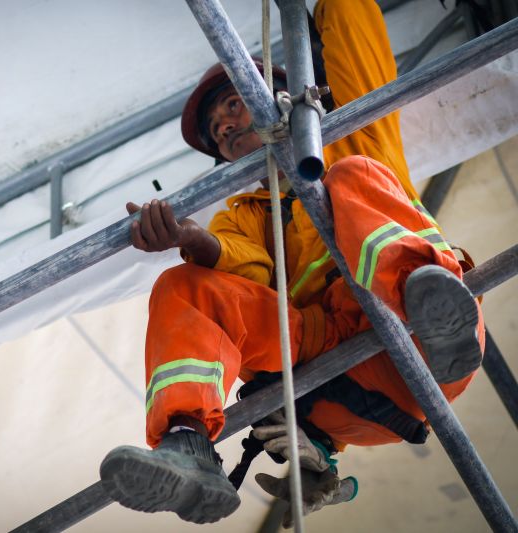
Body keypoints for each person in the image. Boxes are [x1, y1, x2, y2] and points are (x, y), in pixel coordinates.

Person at [99, 0, 485, 527]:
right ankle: (187, 445)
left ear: (281, 101)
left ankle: (431, 309)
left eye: (234, 106)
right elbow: (247, 286)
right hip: (338, 389)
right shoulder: (242, 217)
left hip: (420, 338)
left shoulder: (352, 134)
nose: (225, 128)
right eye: (216, 130)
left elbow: (356, 38)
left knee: (349, 173)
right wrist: (191, 240)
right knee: (184, 285)